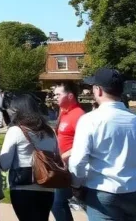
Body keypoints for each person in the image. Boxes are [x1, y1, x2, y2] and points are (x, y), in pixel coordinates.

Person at [69, 67, 136, 221]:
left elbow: (77, 161)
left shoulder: (90, 120)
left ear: (98, 90)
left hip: (102, 191)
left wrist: (76, 184)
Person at [0, 95, 58, 220]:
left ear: (18, 110)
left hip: (23, 186)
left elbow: (4, 164)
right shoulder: (49, 132)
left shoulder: (15, 131)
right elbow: (56, 155)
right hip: (47, 186)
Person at [52, 82, 86, 221]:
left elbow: (84, 144)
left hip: (73, 167)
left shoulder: (79, 115)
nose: (55, 97)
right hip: (64, 167)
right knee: (59, 202)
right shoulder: (63, 112)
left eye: (58, 94)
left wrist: (64, 156)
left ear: (70, 96)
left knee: (58, 203)